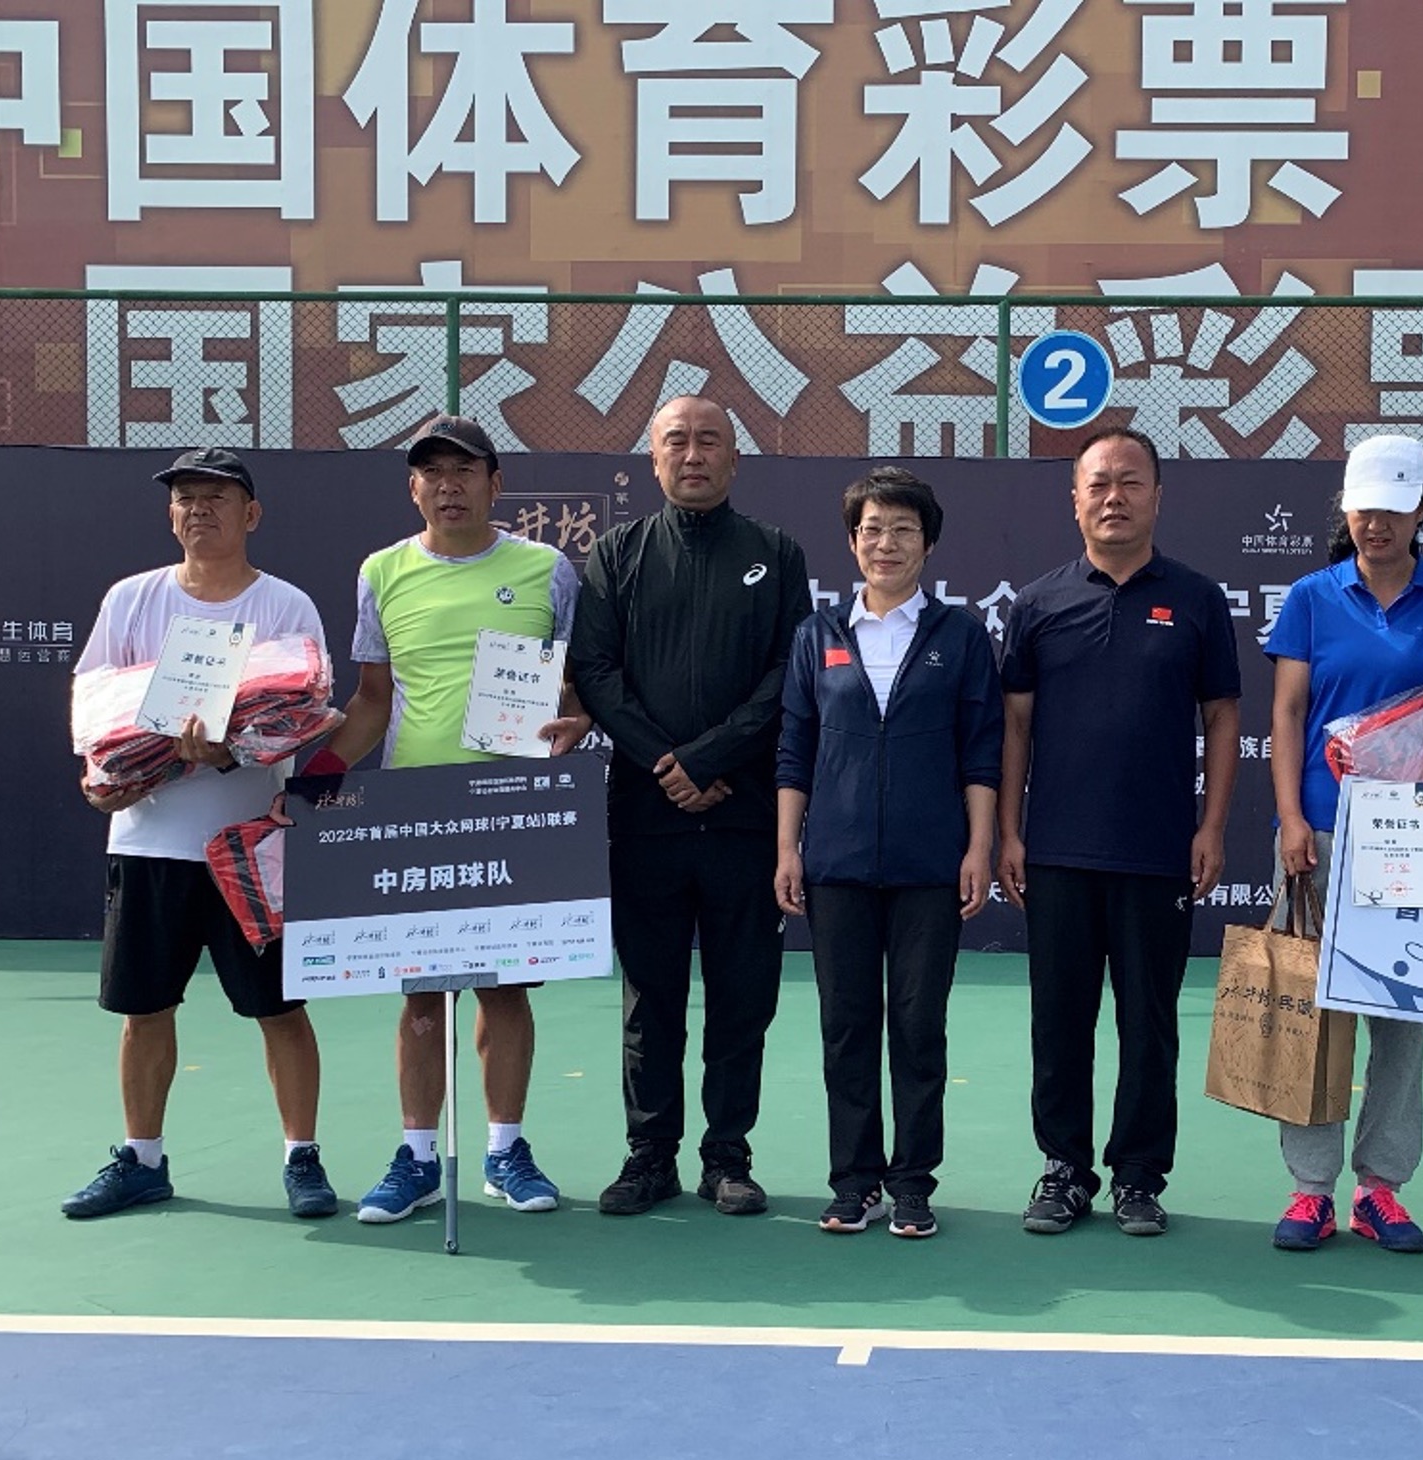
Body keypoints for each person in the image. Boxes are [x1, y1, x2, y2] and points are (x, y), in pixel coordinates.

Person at [319, 415, 591, 1226]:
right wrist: (320, 775)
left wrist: (579, 718)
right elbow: (372, 700)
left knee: (504, 991)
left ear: (494, 485)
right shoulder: (382, 572)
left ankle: (505, 1150)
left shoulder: (546, 569)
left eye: (464, 471)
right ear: (414, 488)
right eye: (431, 473)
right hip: (416, 812)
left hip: (513, 812)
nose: (448, 486)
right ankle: (416, 1158)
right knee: (422, 998)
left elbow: (574, 684)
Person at [62, 448, 338, 1221]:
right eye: (186, 498)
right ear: (170, 514)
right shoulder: (131, 600)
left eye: (216, 497)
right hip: (148, 843)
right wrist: (107, 775)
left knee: (279, 1010)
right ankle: (142, 1160)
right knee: (144, 1010)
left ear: (252, 514)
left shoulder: (286, 606)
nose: (199, 510)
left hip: (249, 850)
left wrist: (231, 753)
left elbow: (306, 717)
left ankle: (302, 1158)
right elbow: (96, 709)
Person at [570, 396, 812, 1218]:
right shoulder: (618, 554)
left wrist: (709, 760)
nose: (694, 454)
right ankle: (650, 1157)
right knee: (651, 998)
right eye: (677, 441)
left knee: (743, 998)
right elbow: (596, 672)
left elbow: (789, 674)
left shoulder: (775, 553)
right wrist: (666, 765)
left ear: (735, 459)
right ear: (654, 459)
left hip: (743, 816)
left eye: (710, 441)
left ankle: (727, 1159)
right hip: (647, 819)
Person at [998, 425, 1242, 1237]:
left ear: (1157, 497)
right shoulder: (1037, 604)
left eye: (1130, 482)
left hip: (1157, 851)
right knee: (1059, 1021)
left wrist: (1211, 826)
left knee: (1150, 1024)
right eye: (1098, 484)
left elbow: (1222, 717)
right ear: (1074, 500)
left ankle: (1139, 1177)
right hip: (1058, 851)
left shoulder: (1198, 599)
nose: (1114, 497)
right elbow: (1015, 727)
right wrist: (1009, 833)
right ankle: (1064, 1169)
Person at [1263, 436, 1423, 1254]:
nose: (1376, 524)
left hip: (1409, 833)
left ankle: (1380, 1188)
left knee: (1401, 1013)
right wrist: (1290, 817)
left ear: (1422, 509)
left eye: (1392, 509)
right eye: (1363, 510)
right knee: (1313, 1013)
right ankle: (1310, 1189)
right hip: (1319, 833)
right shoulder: (1311, 598)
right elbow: (1288, 712)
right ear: (1346, 511)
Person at [774, 467, 1003, 1239]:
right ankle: (853, 1183)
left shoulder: (960, 637)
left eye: (903, 529)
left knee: (917, 1027)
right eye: (872, 529)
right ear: (852, 541)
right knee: (845, 1028)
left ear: (928, 544)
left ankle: (911, 1185)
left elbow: (981, 752)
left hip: (928, 866)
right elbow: (794, 752)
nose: (886, 544)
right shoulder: (817, 637)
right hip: (835, 866)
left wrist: (978, 847)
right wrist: (788, 848)